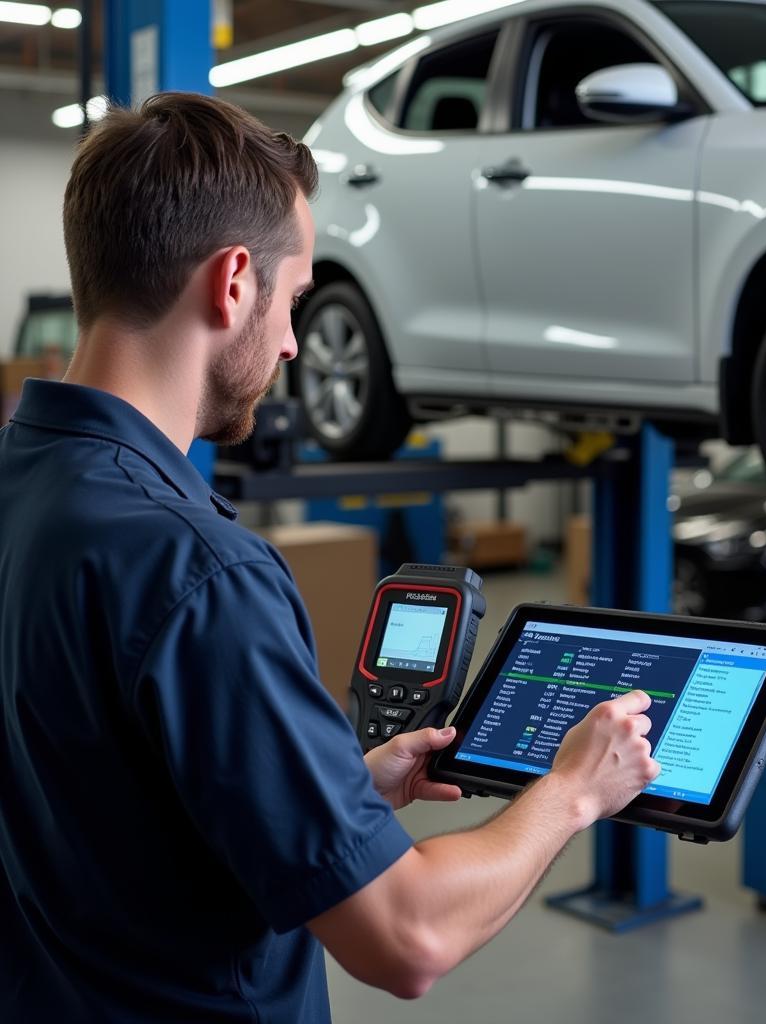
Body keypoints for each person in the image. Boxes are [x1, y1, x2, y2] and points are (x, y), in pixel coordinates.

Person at [0, 93, 659, 1023]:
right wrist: (573, 792)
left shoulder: (20, 483)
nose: (293, 342)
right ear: (233, 283)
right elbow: (408, 936)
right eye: (295, 297)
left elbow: (104, 794)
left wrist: (334, 792)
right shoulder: (198, 572)